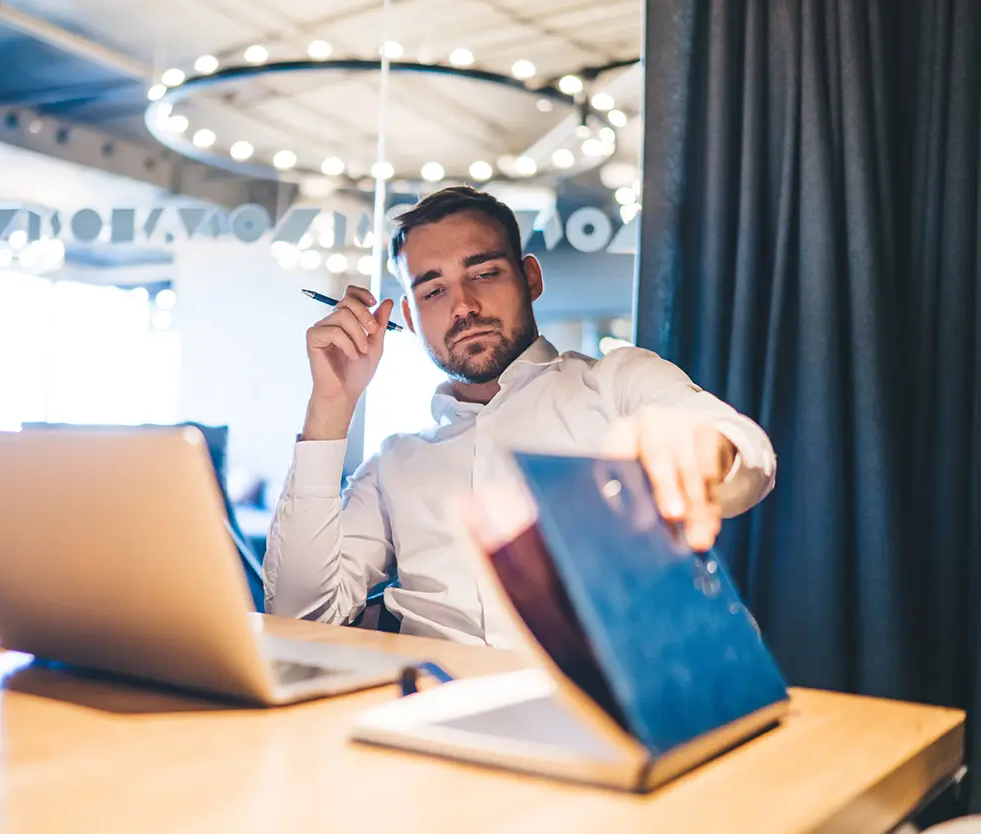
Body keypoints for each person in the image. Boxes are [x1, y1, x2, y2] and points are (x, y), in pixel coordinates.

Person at [264, 186, 775, 645]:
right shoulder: (394, 461)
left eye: (485, 272)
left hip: (610, 713)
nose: (463, 305)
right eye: (433, 290)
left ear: (530, 278)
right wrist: (332, 404)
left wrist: (707, 449)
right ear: (408, 318)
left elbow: (744, 450)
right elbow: (299, 613)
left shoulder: (617, 383)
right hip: (435, 712)